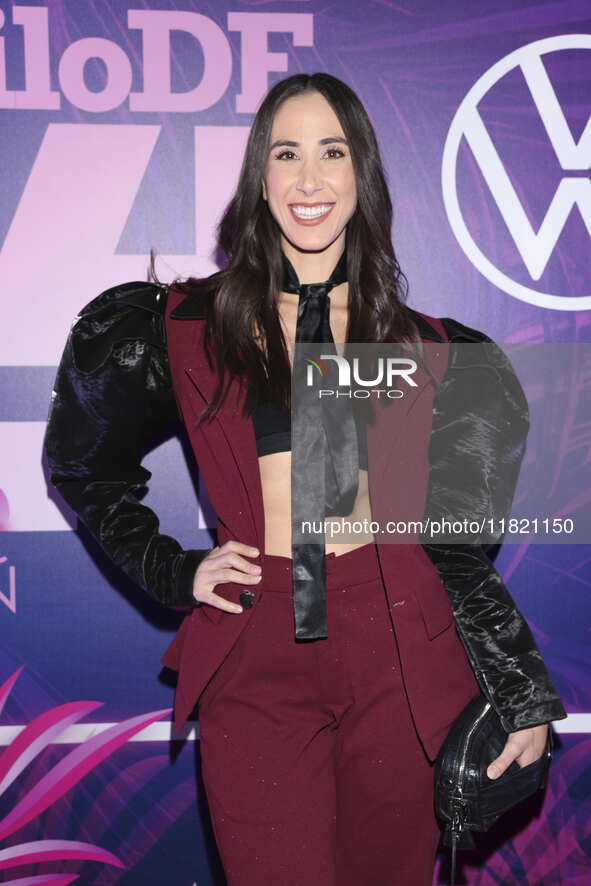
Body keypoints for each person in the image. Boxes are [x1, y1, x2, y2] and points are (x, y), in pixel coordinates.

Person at [44, 72, 566, 886]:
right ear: (260, 176)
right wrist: (172, 569)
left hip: (397, 644)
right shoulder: (180, 326)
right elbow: (85, 464)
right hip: (257, 650)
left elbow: (456, 550)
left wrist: (518, 682)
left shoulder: (436, 353)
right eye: (286, 153)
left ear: (362, 174)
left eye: (333, 152)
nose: (310, 178)